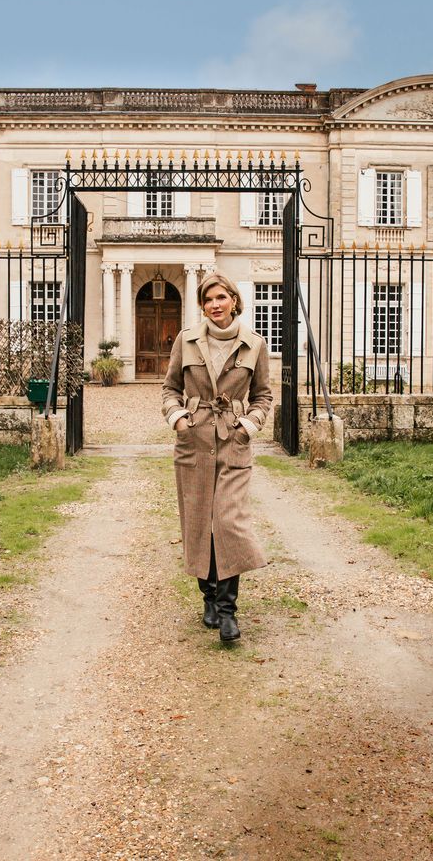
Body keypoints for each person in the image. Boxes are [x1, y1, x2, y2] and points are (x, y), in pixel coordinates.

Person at [161, 272, 273, 643]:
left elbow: (264, 397)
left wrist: (248, 426)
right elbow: (170, 389)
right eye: (208, 299)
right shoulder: (186, 340)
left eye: (221, 297)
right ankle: (208, 597)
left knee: (227, 520)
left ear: (234, 301)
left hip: (233, 442)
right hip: (193, 441)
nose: (215, 304)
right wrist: (178, 419)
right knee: (198, 520)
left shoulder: (254, 345)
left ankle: (228, 612)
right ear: (203, 305)